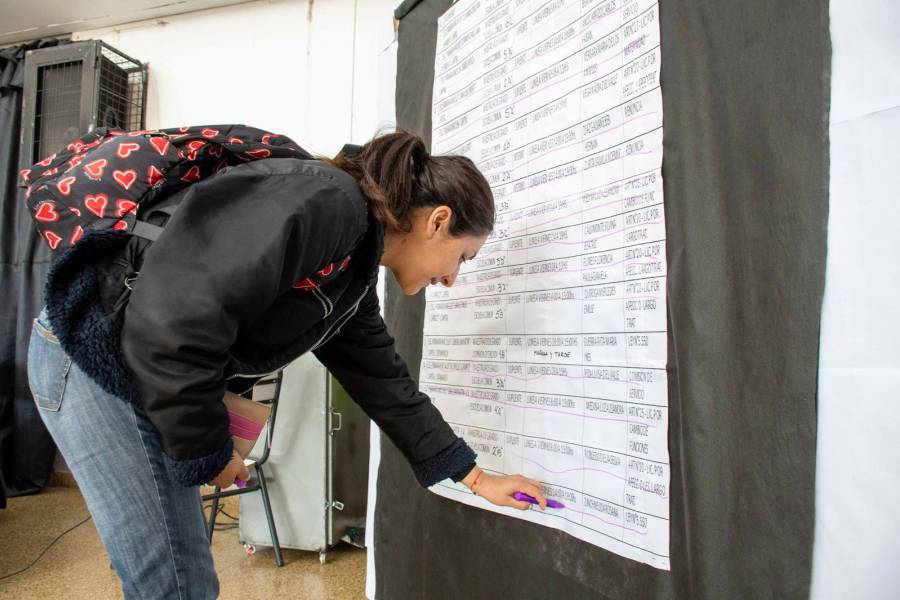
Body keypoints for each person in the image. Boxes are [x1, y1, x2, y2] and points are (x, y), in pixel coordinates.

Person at [27, 130, 547, 599]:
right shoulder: (330, 203)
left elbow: (383, 380)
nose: (452, 278)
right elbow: (176, 319)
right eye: (463, 258)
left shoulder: (352, 266)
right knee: (175, 584)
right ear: (439, 221)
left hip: (134, 364)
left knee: (174, 579)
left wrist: (474, 476)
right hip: (92, 355)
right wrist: (207, 450)